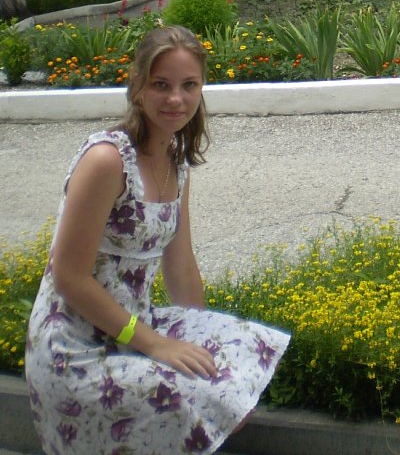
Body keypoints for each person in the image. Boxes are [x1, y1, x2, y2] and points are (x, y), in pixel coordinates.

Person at [25, 25, 290, 455]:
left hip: (133, 326)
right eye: (161, 84)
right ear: (137, 86)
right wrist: (156, 343)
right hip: (76, 346)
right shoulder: (107, 160)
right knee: (188, 395)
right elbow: (69, 277)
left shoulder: (175, 164)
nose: (175, 99)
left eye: (189, 85)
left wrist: (199, 339)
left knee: (236, 367)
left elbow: (180, 266)